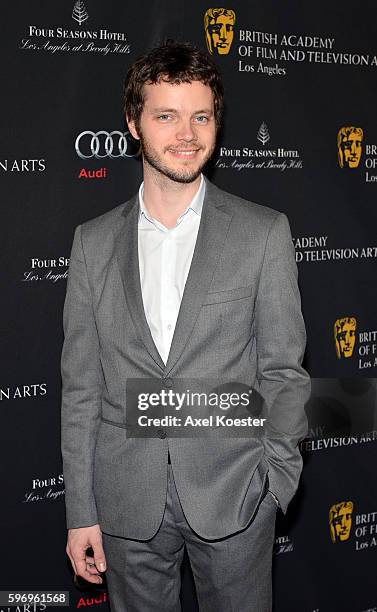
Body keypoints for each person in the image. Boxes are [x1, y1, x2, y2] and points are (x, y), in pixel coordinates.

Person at [61, 40, 310, 611]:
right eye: (166, 116)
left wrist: (276, 483)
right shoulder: (92, 243)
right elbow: (81, 388)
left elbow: (283, 372)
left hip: (236, 495)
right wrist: (82, 512)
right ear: (133, 123)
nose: (186, 134)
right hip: (126, 501)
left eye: (201, 116)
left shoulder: (263, 233)